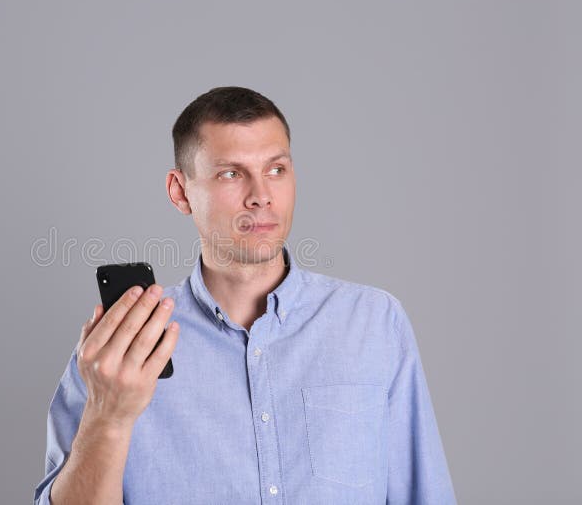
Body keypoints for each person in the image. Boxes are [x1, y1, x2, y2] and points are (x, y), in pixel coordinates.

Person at [33, 86, 457, 504]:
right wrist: (109, 417)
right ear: (180, 192)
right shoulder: (121, 348)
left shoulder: (373, 324)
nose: (261, 195)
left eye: (276, 169)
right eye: (231, 174)